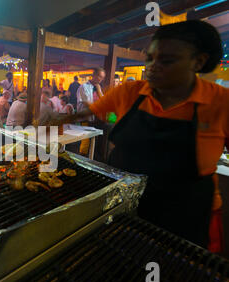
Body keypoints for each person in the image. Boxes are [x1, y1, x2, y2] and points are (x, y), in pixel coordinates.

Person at [63, 20, 228, 252]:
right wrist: (59, 117)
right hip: (122, 204)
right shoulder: (130, 92)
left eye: (167, 61)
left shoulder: (221, 102)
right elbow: (90, 111)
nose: (152, 66)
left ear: (198, 61)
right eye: (149, 58)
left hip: (185, 216)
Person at [77, 67, 106, 155]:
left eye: (102, 77)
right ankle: (82, 158)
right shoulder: (84, 86)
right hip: (85, 116)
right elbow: (86, 102)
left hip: (95, 117)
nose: (101, 79)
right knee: (85, 140)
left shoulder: (97, 87)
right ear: (93, 75)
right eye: (99, 76)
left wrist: (99, 90)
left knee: (92, 140)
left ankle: (90, 158)